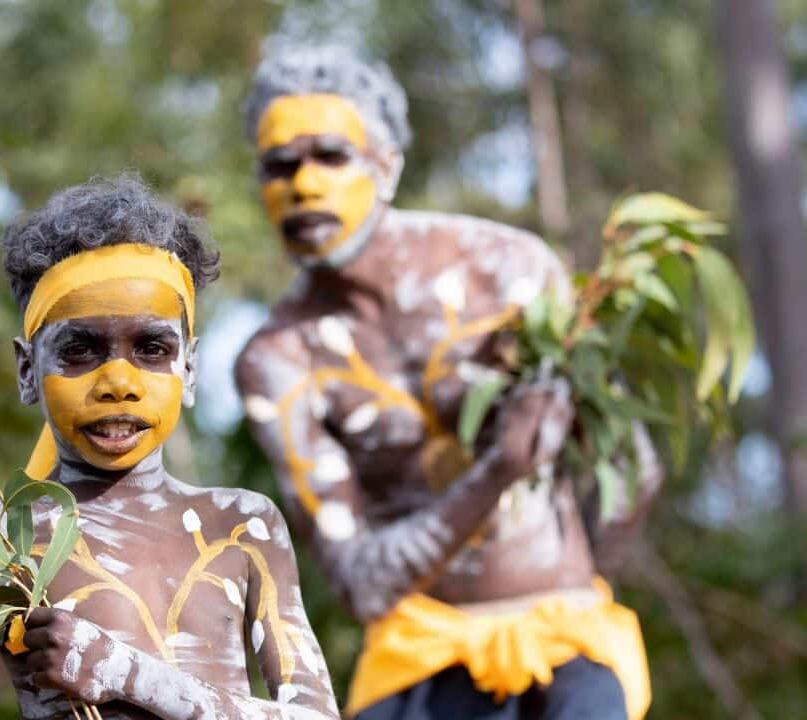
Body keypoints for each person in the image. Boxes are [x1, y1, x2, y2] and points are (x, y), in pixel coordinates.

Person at [234, 47, 661, 720]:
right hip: (418, 658)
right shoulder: (280, 358)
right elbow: (359, 585)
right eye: (279, 166)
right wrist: (498, 472)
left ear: (388, 166)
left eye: (331, 156)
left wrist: (567, 577)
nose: (304, 186)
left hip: (568, 643)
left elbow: (631, 469)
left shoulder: (507, 271)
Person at [0, 176, 340, 719]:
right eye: (80, 349)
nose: (119, 381)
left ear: (188, 367)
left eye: (151, 348)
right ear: (28, 370)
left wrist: (125, 672)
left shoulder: (241, 525)